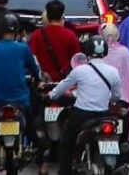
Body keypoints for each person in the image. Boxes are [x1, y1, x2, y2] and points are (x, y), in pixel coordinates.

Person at [51, 36, 123, 175]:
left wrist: (52, 95)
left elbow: (62, 87)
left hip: (81, 116)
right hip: (103, 116)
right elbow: (116, 96)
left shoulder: (80, 70)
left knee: (67, 144)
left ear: (88, 51)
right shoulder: (113, 72)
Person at [0, 13, 39, 152]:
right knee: (30, 123)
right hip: (21, 98)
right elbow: (35, 70)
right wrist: (38, 80)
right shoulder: (23, 48)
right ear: (16, 30)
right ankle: (36, 148)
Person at [29, 0, 81, 83]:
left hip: (43, 83)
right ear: (62, 15)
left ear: (47, 16)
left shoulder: (36, 35)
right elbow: (77, 61)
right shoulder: (70, 35)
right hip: (64, 83)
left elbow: (32, 59)